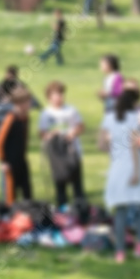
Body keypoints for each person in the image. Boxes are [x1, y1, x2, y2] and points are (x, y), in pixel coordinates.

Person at [99, 88, 140, 263]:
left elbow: (102, 144)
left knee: (120, 210)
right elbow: (134, 146)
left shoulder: (109, 118)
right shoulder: (134, 118)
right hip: (134, 165)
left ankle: (120, 252)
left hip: (117, 167)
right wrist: (137, 172)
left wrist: (114, 151)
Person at [38, 81, 86, 210]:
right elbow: (42, 133)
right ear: (49, 97)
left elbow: (81, 127)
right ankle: (62, 212)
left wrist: (73, 133)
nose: (59, 97)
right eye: (55, 95)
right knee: (60, 185)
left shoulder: (71, 110)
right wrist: (51, 134)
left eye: (61, 94)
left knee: (77, 186)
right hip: (57, 155)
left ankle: (81, 211)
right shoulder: (46, 114)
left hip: (72, 151)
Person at [0, 87, 33, 204]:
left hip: (21, 159)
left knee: (27, 189)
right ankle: (11, 215)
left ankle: (29, 212)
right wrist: (2, 161)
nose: (30, 104)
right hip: (10, 162)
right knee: (11, 193)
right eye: (27, 102)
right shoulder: (10, 119)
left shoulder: (25, 118)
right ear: (19, 103)